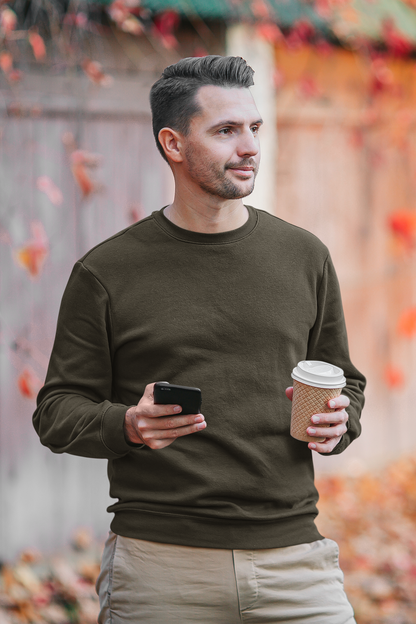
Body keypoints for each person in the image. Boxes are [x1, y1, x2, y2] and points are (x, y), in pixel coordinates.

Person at [33, 55, 365, 624]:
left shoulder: (304, 256)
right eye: (225, 131)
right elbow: (57, 412)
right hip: (161, 569)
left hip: (295, 563)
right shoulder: (107, 271)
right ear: (174, 143)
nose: (250, 146)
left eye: (254, 128)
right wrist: (128, 426)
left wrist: (341, 420)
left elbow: (346, 380)